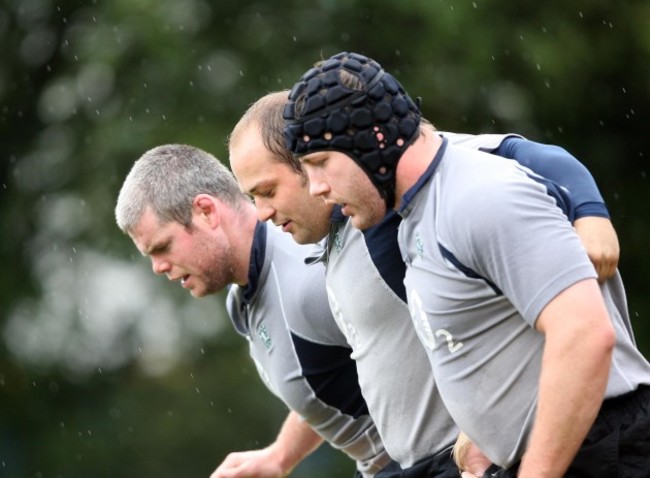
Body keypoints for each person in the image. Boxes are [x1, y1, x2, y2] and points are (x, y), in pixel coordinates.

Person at [282, 51, 650, 477]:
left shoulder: (479, 195)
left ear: (374, 140)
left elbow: (585, 336)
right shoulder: (415, 218)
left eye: (320, 163)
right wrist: (483, 434)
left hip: (604, 450)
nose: (317, 188)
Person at [114, 144, 395, 477]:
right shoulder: (241, 296)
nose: (158, 267)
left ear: (206, 211)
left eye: (162, 247)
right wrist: (279, 457)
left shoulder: (309, 278)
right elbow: (329, 380)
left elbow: (426, 353)